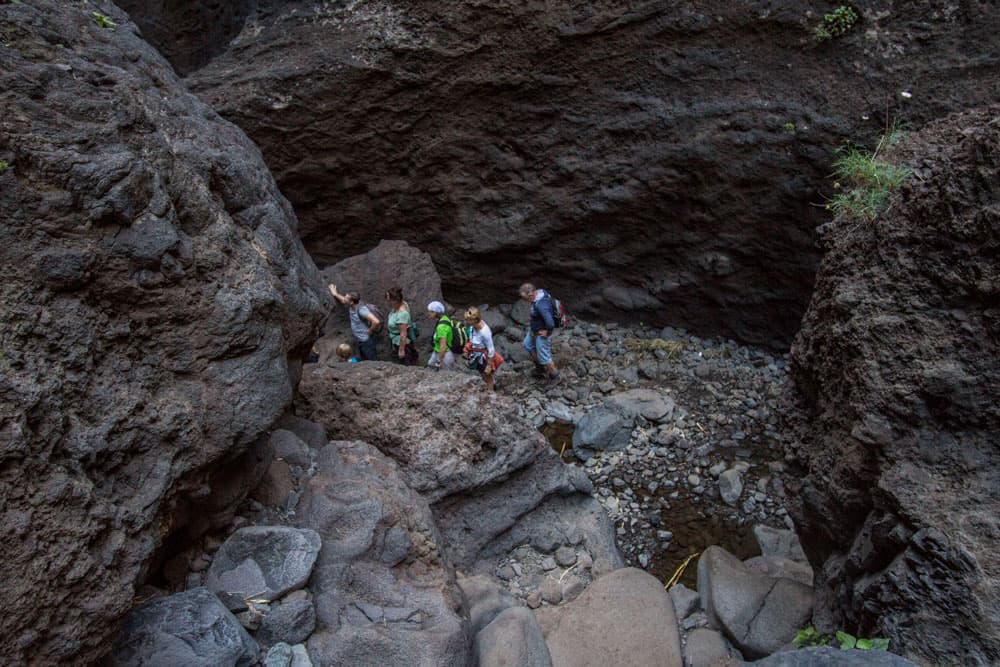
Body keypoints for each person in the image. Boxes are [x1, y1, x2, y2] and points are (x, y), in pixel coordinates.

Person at [519, 282, 559, 386]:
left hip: (541, 333)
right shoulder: (540, 292)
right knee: (527, 344)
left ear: (531, 295)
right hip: (534, 330)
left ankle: (555, 376)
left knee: (544, 357)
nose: (526, 301)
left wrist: (548, 332)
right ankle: (540, 369)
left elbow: (550, 323)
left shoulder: (541, 305)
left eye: (526, 298)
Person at [328, 284, 380, 361]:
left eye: (346, 298)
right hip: (360, 339)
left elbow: (376, 321)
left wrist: (370, 330)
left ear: (352, 302)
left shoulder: (361, 310)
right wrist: (335, 294)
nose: (344, 299)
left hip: (366, 341)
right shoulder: (353, 305)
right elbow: (342, 300)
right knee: (365, 358)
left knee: (371, 360)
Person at [463, 306, 503, 391]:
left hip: (484, 357)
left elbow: (491, 349)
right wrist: (467, 350)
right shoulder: (472, 327)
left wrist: (489, 365)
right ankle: (493, 384)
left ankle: (491, 394)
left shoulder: (485, 332)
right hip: (476, 354)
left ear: (474, 320)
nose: (467, 322)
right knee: (483, 375)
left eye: (468, 320)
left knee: (487, 376)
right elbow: (472, 340)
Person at [386, 286, 419, 365]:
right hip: (395, 340)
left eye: (388, 298)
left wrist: (401, 350)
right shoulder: (401, 304)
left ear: (394, 300)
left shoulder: (402, 314)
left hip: (402, 344)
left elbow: (403, 334)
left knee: (405, 364)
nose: (387, 300)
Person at [427, 301, 456, 371]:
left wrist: (439, 361)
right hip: (437, 350)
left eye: (430, 312)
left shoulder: (441, 327)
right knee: (430, 364)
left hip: (445, 354)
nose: (428, 314)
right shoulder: (444, 318)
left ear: (435, 312)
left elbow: (443, 346)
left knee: (445, 373)